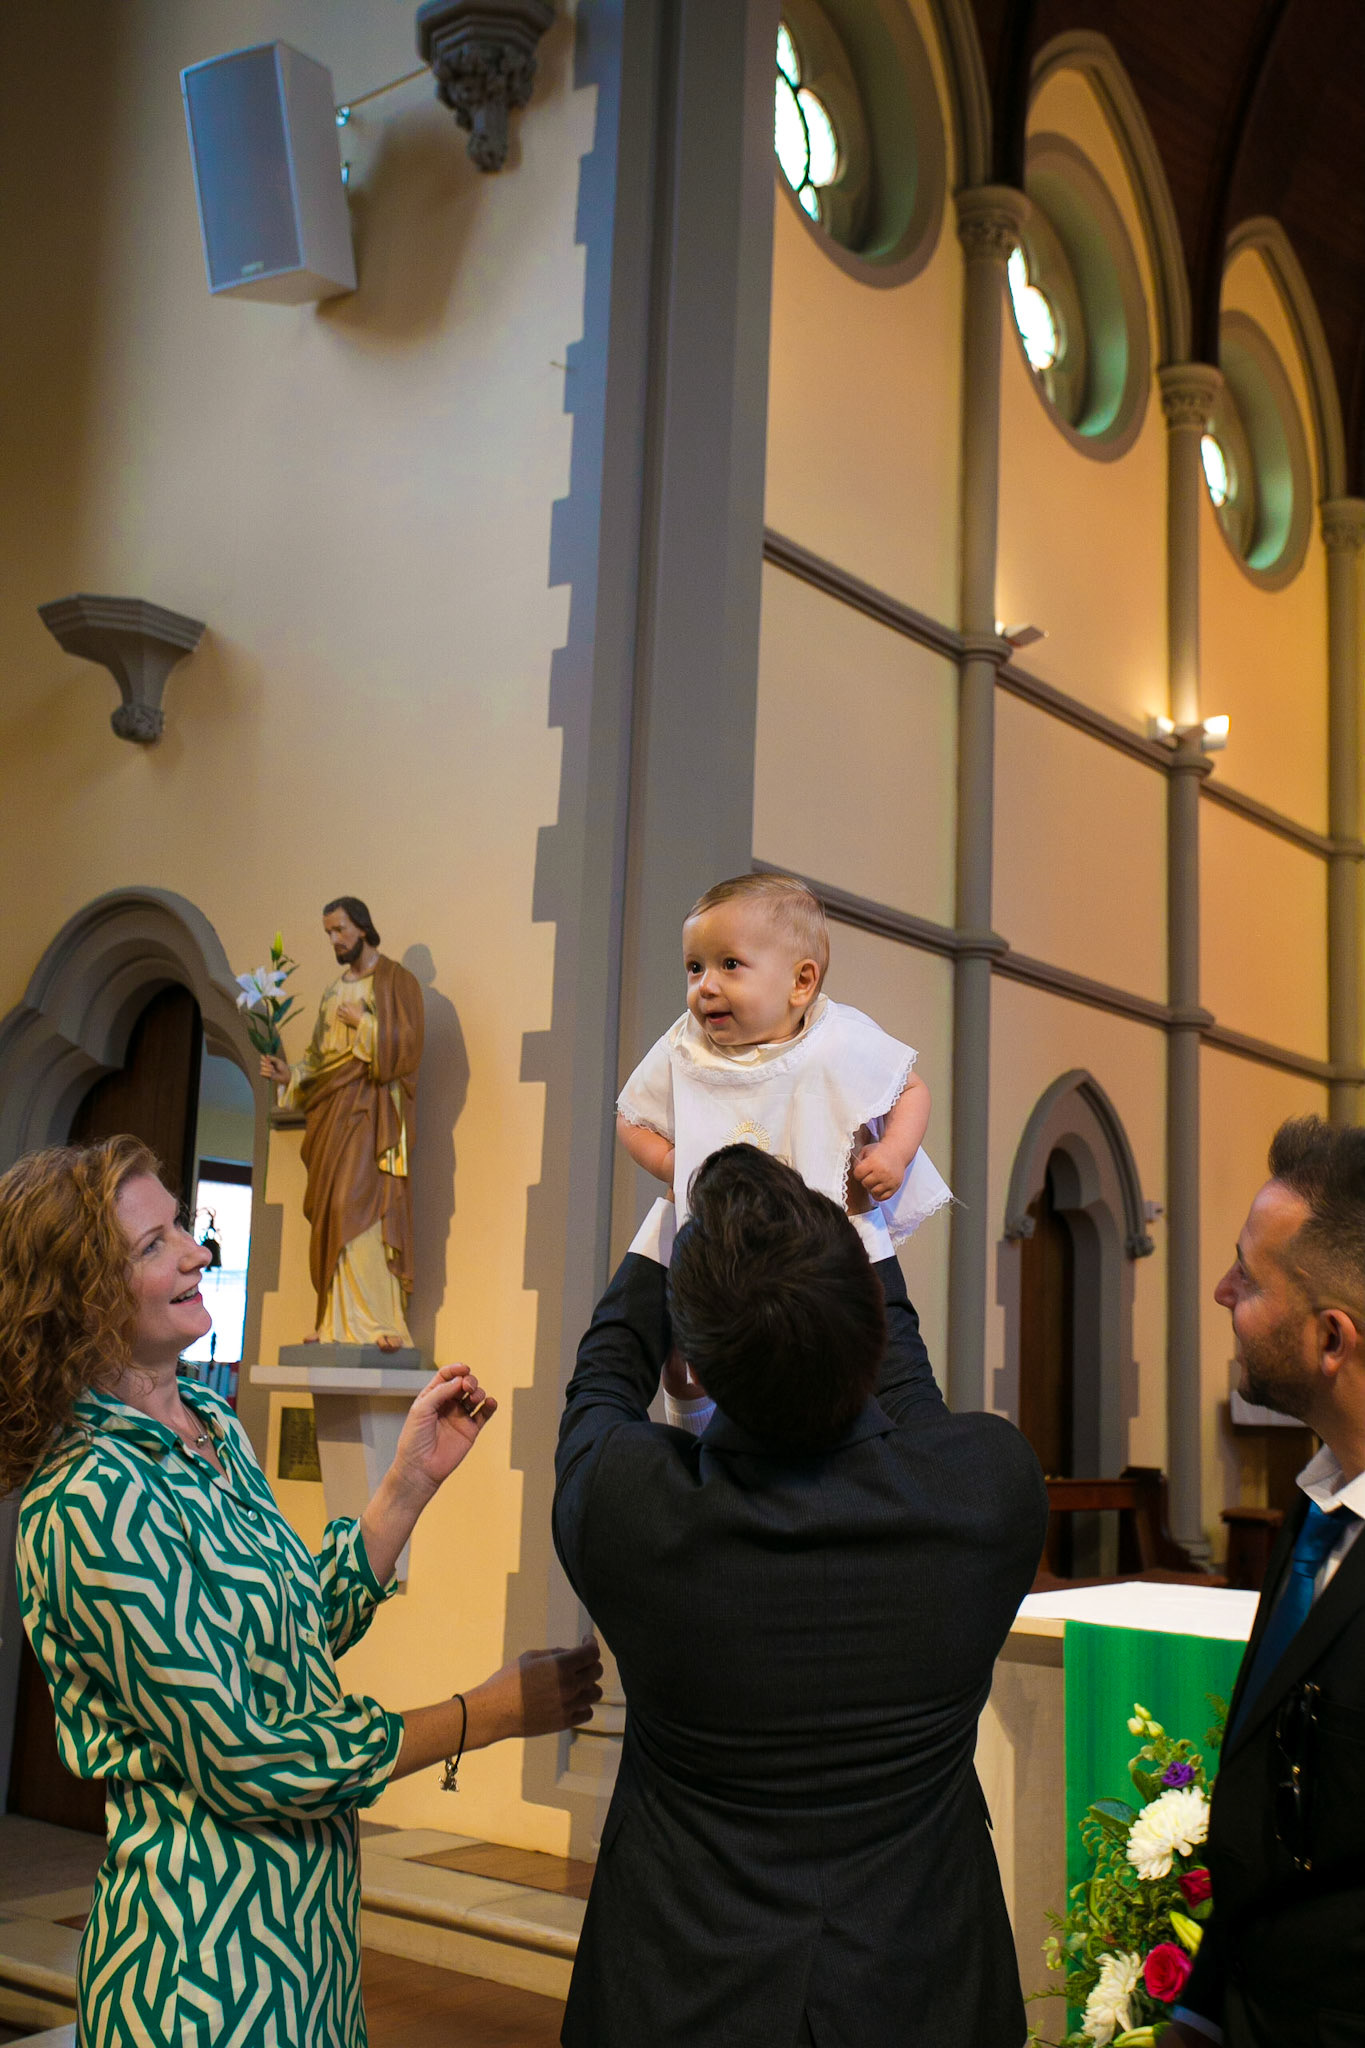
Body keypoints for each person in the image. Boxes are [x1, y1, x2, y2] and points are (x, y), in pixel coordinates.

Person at [1, 1135, 602, 2048]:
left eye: (184, 1231)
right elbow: (251, 1757)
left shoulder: (210, 1427)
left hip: (308, 1944)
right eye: (153, 1245)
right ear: (78, 1295)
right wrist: (483, 1714)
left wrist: (405, 1487)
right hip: (201, 1967)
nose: (197, 1254)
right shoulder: (90, 1501)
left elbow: (285, 1627)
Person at [553, 1145, 1048, 2047]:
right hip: (922, 1983)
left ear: (692, 1369)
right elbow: (912, 1405)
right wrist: (864, 1238)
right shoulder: (986, 1491)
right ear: (867, 1323)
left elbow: (598, 1390)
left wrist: (660, 1236)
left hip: (682, 1986)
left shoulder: (634, 1510)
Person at [1167, 1116, 1365, 2048]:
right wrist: (1201, 2005)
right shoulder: (1320, 1496)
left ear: (1332, 1339)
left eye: (1248, 1277)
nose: (1220, 1291)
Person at [616, 872, 951, 1266]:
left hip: (831, 1246)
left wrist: (893, 1152)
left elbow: (910, 1091)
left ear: (801, 982)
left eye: (729, 964)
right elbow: (632, 1115)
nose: (705, 985)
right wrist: (672, 1163)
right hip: (720, 1251)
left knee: (875, 1325)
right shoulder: (687, 1045)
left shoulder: (837, 1038)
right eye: (695, 967)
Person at [261, 896, 423, 1351]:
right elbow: (319, 1058)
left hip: (373, 1116)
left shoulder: (396, 981)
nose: (334, 939)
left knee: (365, 1207)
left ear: (363, 928)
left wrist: (367, 1025)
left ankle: (380, 1321)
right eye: (329, 932)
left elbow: (409, 1048)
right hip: (334, 1114)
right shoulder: (333, 991)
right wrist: (289, 1075)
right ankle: (335, 1323)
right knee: (333, 1211)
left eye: (340, 930)